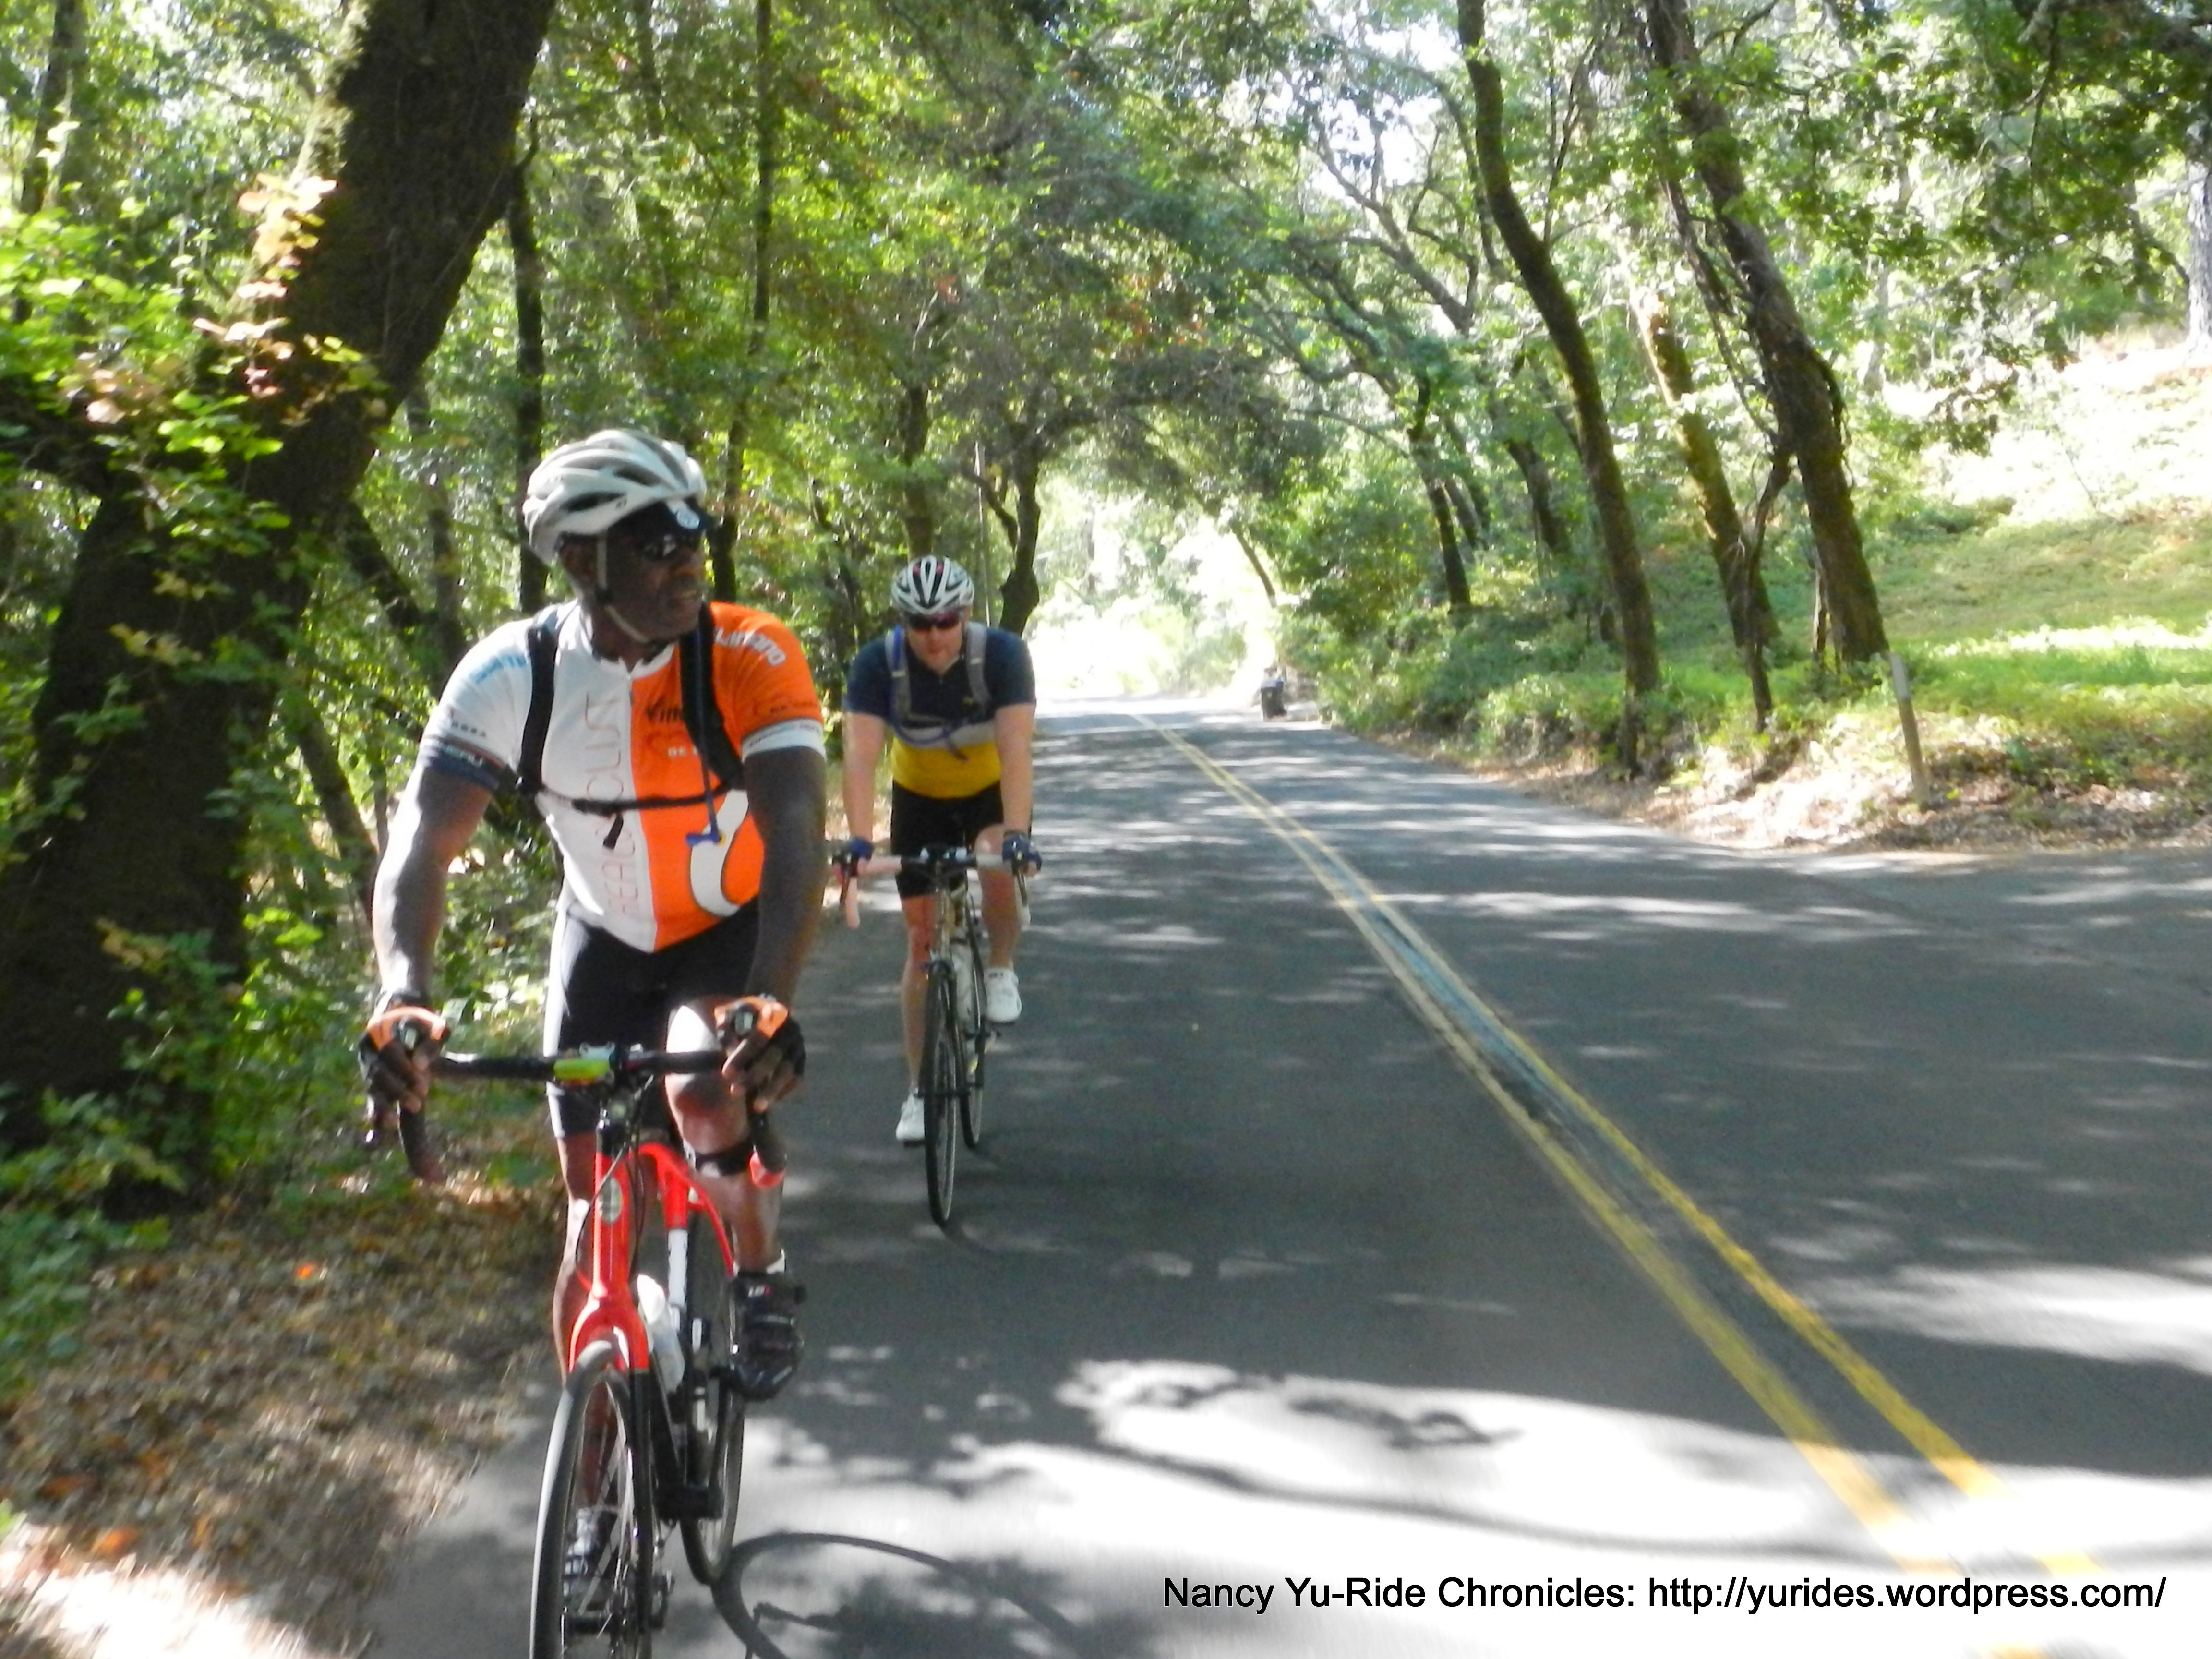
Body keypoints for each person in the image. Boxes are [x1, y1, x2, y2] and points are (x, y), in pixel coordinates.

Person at [359, 428, 827, 1403]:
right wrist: (403, 993)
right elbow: (422, 845)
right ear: (581, 558)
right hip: (603, 938)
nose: (689, 562)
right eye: (658, 544)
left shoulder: (747, 651)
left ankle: (760, 1274)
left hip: (726, 928)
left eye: (695, 537)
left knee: (705, 1091)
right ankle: (591, 1478)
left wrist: (768, 1002)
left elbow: (795, 835)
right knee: (592, 1203)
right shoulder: (510, 675)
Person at [834, 555, 1041, 1146]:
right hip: (919, 797)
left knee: (995, 857)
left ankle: (1000, 967)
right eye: (919, 622)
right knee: (922, 942)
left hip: (989, 792)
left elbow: (1016, 750)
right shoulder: (878, 664)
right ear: (902, 622)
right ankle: (921, 1092)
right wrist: (858, 840)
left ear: (966, 615)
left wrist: (1018, 833)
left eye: (946, 620)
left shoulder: (1002, 655)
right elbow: (860, 758)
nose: (933, 634)